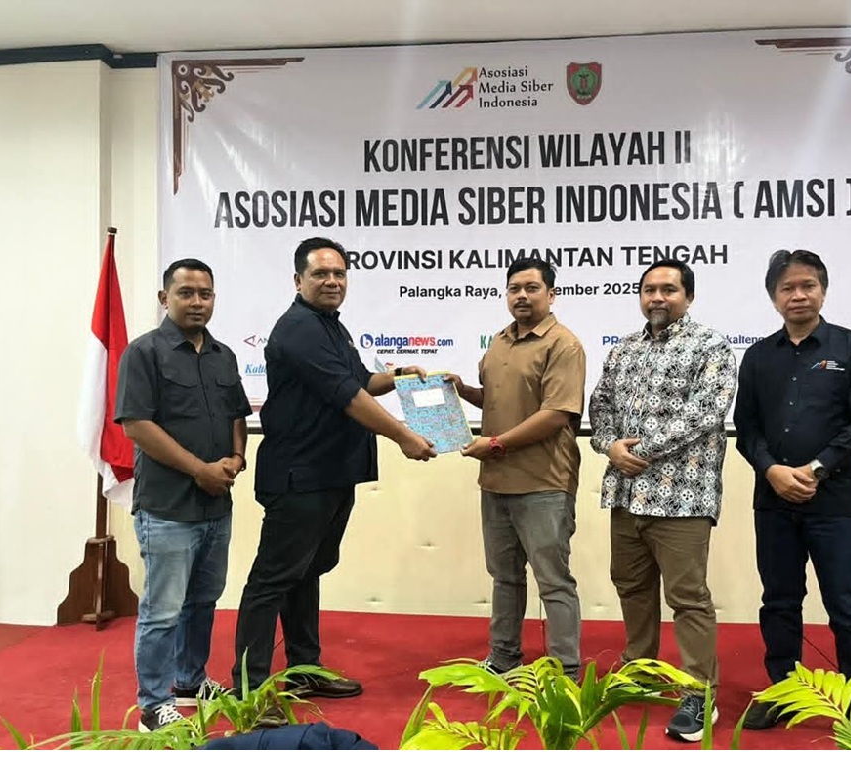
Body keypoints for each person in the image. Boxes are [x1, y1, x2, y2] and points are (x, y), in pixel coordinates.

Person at [232, 236, 436, 718]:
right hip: (299, 476)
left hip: (330, 474)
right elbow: (348, 396)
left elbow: (361, 381)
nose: (331, 281)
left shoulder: (330, 326)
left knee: (305, 574)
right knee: (272, 580)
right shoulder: (299, 328)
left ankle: (304, 668)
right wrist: (403, 436)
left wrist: (400, 376)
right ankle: (250, 691)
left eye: (339, 273)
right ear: (298, 280)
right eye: (321, 274)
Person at [733, 249, 851, 729]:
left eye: (807, 286)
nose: (798, 295)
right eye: (788, 288)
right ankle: (784, 691)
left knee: (847, 606)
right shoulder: (758, 357)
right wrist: (772, 471)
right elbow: (747, 428)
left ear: (823, 291)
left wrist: (816, 470)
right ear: (774, 297)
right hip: (773, 502)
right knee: (779, 602)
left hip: (835, 504)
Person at [588, 259, 737, 743]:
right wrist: (609, 446)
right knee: (631, 587)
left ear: (688, 297)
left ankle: (699, 693)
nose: (657, 297)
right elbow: (600, 405)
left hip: (681, 498)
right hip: (626, 494)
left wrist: (640, 451)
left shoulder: (710, 346)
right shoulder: (624, 349)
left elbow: (706, 412)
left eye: (669, 289)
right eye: (649, 289)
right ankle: (640, 670)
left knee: (688, 598)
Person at [115, 258, 252, 732]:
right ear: (164, 298)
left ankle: (189, 682)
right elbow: (136, 424)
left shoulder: (223, 355)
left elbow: (237, 414)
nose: (197, 302)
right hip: (168, 507)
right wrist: (199, 470)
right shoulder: (143, 353)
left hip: (216, 504)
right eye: (186, 293)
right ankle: (153, 705)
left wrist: (237, 458)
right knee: (162, 611)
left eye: (205, 294)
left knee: (203, 600)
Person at [447, 257, 585, 681]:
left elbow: (556, 414)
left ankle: (565, 670)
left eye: (531, 288)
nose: (522, 296)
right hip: (496, 481)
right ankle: (504, 656)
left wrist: (496, 444)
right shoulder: (499, 341)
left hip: (544, 482)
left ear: (551, 294)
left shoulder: (564, 345)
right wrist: (461, 390)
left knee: (553, 581)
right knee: (504, 577)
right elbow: (495, 399)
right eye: (514, 289)